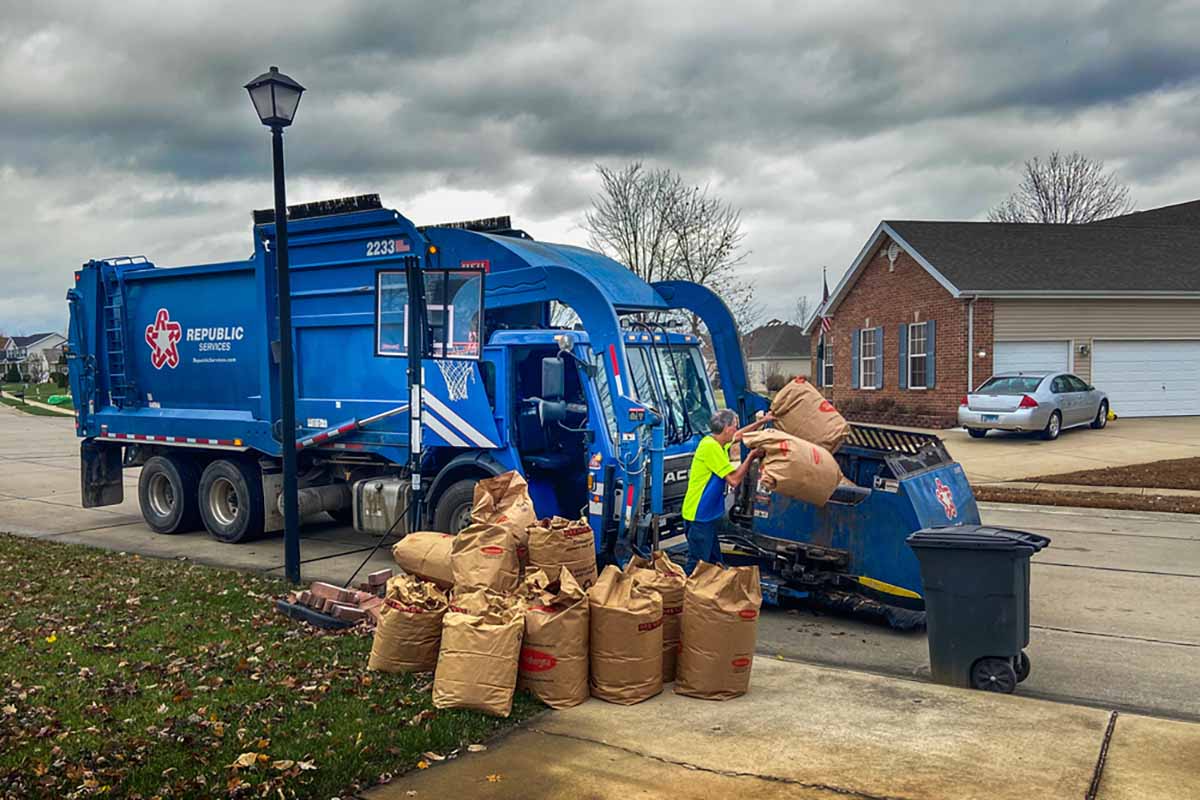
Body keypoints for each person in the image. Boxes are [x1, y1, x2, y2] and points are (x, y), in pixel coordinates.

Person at [680, 409, 773, 575]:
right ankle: (684, 597)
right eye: (735, 426)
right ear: (727, 429)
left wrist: (761, 422)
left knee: (715, 562)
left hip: (706, 515)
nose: (736, 430)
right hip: (698, 516)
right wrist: (751, 456)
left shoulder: (717, 442)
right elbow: (734, 480)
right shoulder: (711, 448)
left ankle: (709, 594)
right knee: (697, 566)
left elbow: (739, 436)